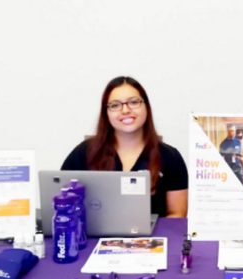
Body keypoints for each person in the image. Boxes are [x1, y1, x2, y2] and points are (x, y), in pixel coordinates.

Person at [61, 76, 188, 218]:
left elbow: (177, 214)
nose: (125, 110)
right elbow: (63, 204)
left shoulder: (170, 156)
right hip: (94, 239)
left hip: (154, 238)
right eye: (115, 105)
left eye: (134, 102)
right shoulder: (83, 153)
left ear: (146, 107)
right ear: (106, 113)